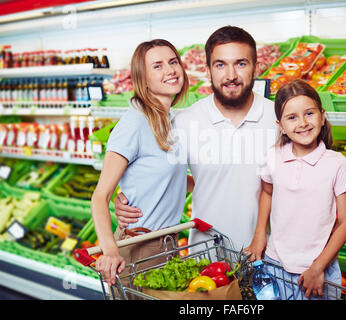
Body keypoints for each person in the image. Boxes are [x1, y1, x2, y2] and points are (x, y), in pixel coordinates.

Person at [114, 26, 278, 252]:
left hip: (269, 253)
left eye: (241, 63)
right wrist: (126, 198)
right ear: (208, 70)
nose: (231, 75)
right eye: (220, 65)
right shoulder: (184, 122)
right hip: (205, 253)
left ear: (256, 68)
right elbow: (157, 171)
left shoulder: (279, 119)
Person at [91, 39, 191, 287]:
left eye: (173, 62)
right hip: (140, 248)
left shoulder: (170, 120)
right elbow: (99, 196)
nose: (170, 70)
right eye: (157, 66)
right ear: (143, 78)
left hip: (166, 243)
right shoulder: (134, 123)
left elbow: (173, 180)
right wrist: (110, 249)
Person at [244, 79, 346, 300]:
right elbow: (267, 192)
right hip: (275, 263)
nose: (302, 123)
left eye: (309, 114)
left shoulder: (337, 163)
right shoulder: (272, 156)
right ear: (281, 126)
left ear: (322, 116)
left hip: (317, 268)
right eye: (292, 117)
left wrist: (318, 267)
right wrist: (259, 236)